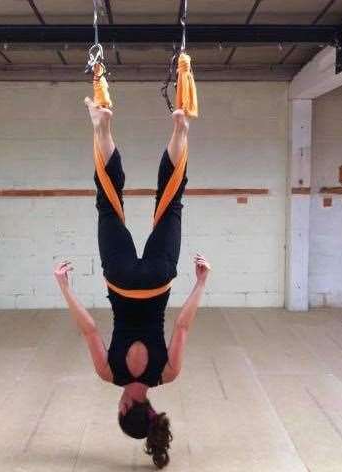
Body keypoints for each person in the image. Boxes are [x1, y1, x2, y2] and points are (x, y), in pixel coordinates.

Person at [54, 96, 211, 469]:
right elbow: (90, 329)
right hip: (121, 278)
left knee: (170, 201)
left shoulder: (167, 373)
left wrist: (201, 283)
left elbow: (184, 324)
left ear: (151, 410)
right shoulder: (108, 373)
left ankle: (180, 128)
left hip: (158, 279)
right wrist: (65, 287)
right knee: (109, 202)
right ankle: (101, 125)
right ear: (126, 407)